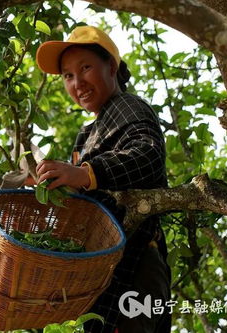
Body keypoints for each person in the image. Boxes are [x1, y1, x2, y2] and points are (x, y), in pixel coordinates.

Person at [34, 26, 171, 333]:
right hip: (103, 276)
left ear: (111, 66)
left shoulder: (127, 105)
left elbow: (147, 156)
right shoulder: (86, 134)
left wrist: (84, 174)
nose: (77, 82)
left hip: (135, 266)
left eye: (85, 68)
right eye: (68, 75)